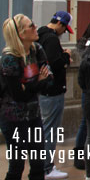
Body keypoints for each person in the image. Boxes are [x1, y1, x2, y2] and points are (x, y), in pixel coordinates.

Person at [1, 14, 52, 180]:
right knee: (17, 165)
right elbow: (18, 95)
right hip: (13, 118)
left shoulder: (36, 49)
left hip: (33, 115)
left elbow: (49, 78)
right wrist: (38, 82)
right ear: (21, 34)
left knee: (38, 162)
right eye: (31, 25)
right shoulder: (9, 59)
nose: (36, 27)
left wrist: (29, 86)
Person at [37, 10, 73, 180]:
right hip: (52, 91)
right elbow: (56, 63)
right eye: (65, 29)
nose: (64, 33)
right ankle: (47, 168)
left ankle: (42, 165)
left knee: (44, 129)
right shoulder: (51, 39)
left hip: (43, 90)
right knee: (50, 130)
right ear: (60, 24)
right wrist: (66, 56)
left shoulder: (40, 34)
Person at [73, 19, 90, 171]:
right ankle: (82, 157)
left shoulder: (84, 44)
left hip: (87, 91)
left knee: (86, 124)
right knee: (87, 126)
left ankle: (82, 157)